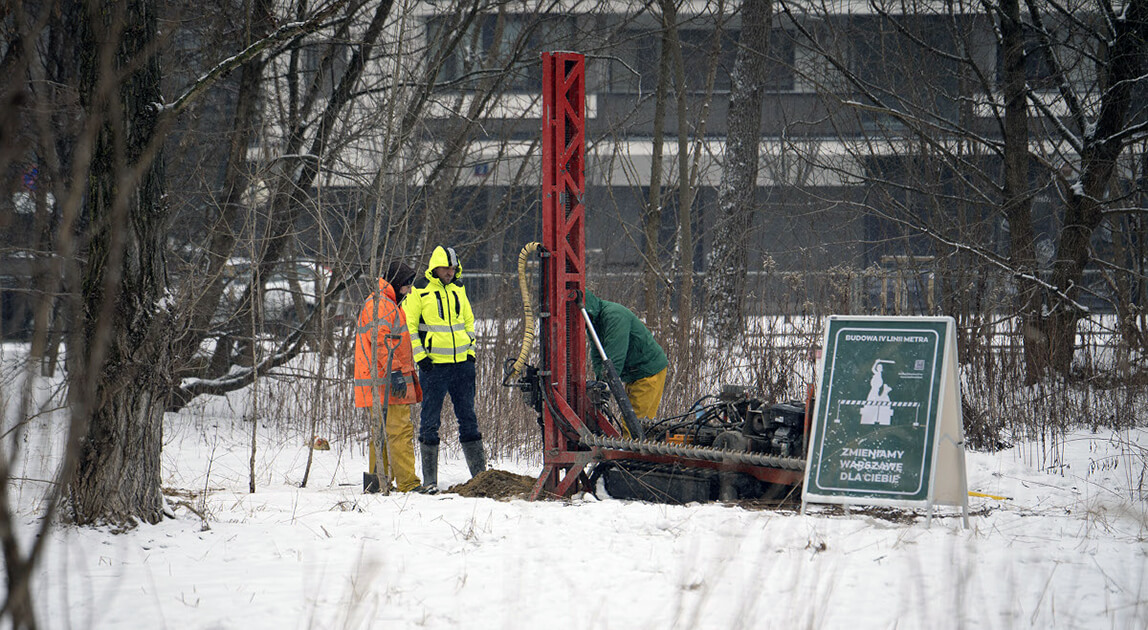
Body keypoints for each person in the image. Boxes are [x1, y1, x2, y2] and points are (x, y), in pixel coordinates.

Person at [404, 246, 486, 492]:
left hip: (462, 366)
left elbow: (469, 321)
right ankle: (430, 482)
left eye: (452, 269)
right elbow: (410, 326)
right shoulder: (419, 290)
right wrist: (421, 357)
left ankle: (481, 478)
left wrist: (470, 353)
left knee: (469, 419)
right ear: (435, 267)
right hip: (434, 368)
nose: (450, 273)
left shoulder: (459, 288)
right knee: (430, 422)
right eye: (446, 268)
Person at [354, 261, 423, 493]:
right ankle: (408, 483)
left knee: (380, 432)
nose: (409, 290)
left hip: (379, 381)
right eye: (406, 285)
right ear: (396, 283)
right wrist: (395, 372)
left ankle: (378, 481)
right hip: (388, 382)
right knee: (400, 431)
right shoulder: (383, 305)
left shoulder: (384, 303)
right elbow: (381, 342)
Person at [583, 290, 669, 420]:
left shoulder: (614, 317)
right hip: (634, 374)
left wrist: (605, 384)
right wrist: (599, 381)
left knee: (635, 425)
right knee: (636, 423)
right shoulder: (594, 322)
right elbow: (596, 353)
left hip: (647, 371)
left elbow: (615, 356)